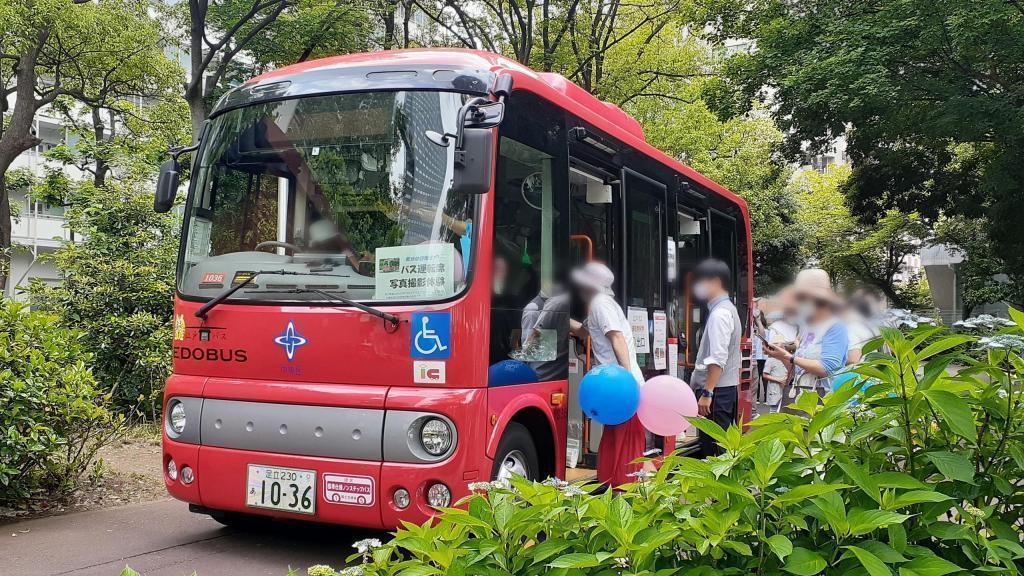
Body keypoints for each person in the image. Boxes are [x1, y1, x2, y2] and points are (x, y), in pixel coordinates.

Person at [568, 262, 646, 487]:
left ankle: (622, 493)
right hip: (615, 387)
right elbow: (585, 331)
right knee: (616, 441)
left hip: (620, 386)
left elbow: (617, 338)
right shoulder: (599, 306)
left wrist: (627, 379)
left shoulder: (601, 305)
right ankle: (613, 488)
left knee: (625, 444)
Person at [765, 269, 849, 405]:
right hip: (802, 399)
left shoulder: (835, 326)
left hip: (824, 403)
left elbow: (828, 368)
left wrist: (789, 357)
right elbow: (797, 370)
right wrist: (780, 355)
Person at [688, 258, 742, 458]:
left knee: (714, 450)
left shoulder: (719, 314)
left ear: (716, 281)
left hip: (717, 393)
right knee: (722, 446)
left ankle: (718, 489)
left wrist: (707, 393)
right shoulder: (729, 309)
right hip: (724, 391)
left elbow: (717, 357)